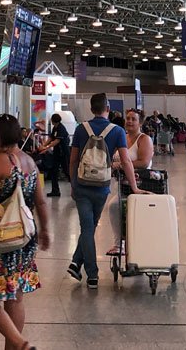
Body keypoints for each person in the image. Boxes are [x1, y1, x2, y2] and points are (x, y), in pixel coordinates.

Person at [0, 114, 50, 350]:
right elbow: (40, 201)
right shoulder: (28, 161)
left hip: (1, 238)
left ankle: (18, 343)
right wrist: (45, 230)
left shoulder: (0, 162)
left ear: (1, 136)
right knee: (15, 295)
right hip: (25, 237)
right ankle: (14, 346)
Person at [67, 93, 145, 289]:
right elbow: (126, 161)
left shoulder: (80, 129)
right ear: (108, 108)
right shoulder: (117, 131)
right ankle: (83, 268)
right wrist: (134, 187)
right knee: (90, 226)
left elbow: (73, 160)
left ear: (91, 109)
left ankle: (86, 270)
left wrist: (73, 184)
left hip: (83, 185)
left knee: (87, 228)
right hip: (101, 186)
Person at [106, 108, 152, 256]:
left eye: (133, 119)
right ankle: (119, 244)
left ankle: (122, 244)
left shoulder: (144, 139)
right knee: (114, 206)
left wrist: (123, 164)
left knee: (114, 205)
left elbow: (144, 162)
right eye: (128, 118)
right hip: (121, 185)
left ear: (140, 122)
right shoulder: (122, 137)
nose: (130, 121)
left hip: (141, 184)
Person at [37, 114, 70, 197]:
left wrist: (46, 147)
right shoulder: (55, 128)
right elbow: (51, 138)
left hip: (63, 153)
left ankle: (76, 190)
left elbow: (57, 141)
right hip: (57, 153)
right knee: (54, 171)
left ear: (53, 120)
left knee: (67, 171)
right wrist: (43, 145)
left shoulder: (61, 128)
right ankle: (55, 191)